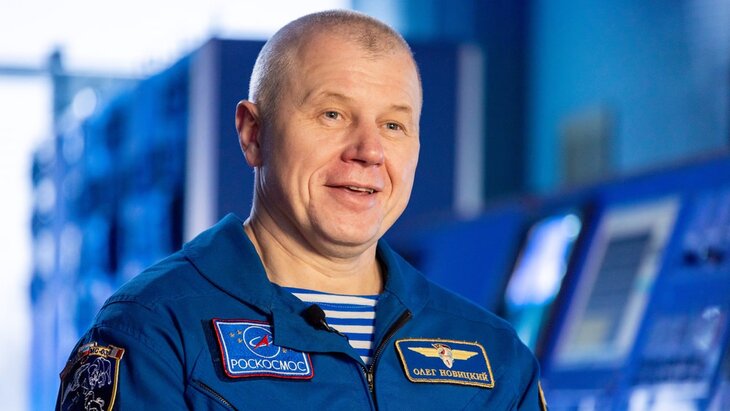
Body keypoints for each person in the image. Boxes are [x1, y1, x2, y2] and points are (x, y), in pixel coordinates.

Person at [57, 9, 548, 410]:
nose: (369, 151)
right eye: (332, 115)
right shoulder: (154, 333)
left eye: (394, 126)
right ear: (253, 134)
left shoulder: (494, 355)